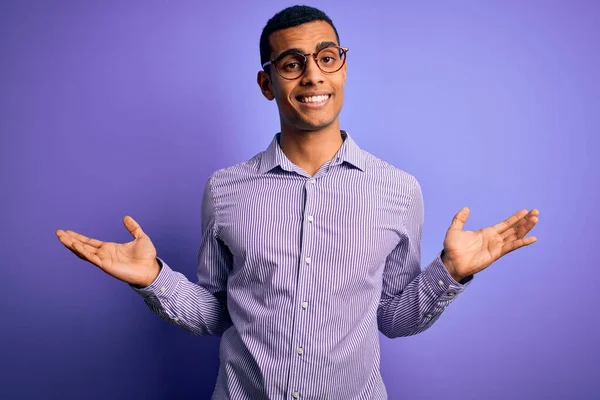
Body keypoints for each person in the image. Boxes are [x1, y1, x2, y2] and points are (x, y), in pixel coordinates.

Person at [56, 5, 539, 400]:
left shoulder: (398, 189)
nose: (312, 75)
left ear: (343, 69)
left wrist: (450, 272)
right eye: (292, 63)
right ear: (268, 84)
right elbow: (218, 313)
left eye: (326, 57)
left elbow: (392, 318)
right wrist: (154, 280)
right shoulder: (225, 190)